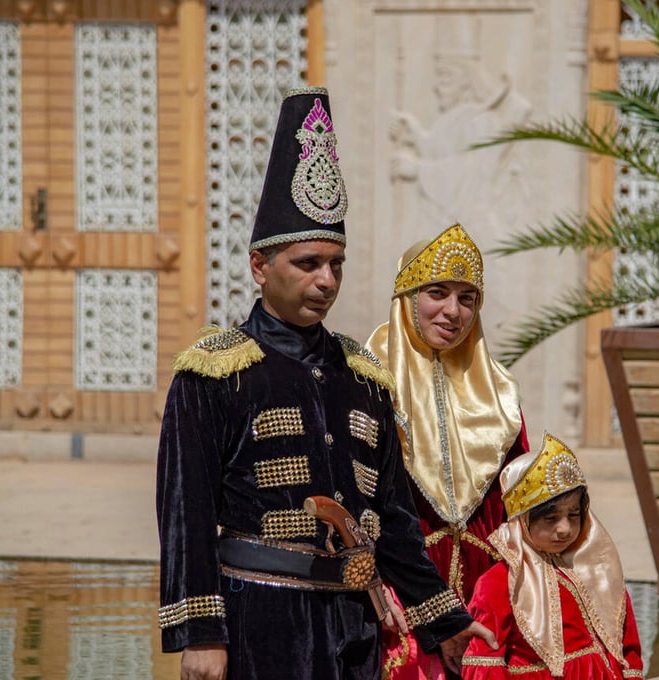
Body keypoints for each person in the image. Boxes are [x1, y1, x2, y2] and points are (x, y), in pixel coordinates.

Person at [156, 87, 494, 680]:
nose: (326, 280)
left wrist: (442, 619)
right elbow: (185, 515)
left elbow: (390, 518)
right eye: (307, 264)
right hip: (258, 620)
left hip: (350, 625)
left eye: (336, 263)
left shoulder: (362, 375)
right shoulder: (215, 373)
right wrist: (201, 635)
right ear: (261, 267)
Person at [365, 223, 528, 678]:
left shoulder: (500, 393)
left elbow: (518, 507)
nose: (453, 312)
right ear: (406, 295)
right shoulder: (365, 380)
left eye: (467, 298)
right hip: (401, 592)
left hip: (487, 594)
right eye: (437, 292)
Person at [459, 432, 644, 679]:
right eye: (550, 518)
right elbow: (484, 661)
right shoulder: (498, 582)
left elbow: (627, 643)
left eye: (574, 515)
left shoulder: (598, 570)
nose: (565, 528)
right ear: (522, 521)